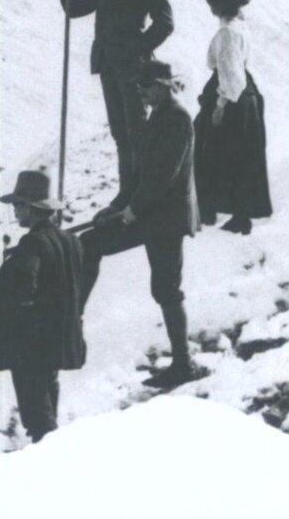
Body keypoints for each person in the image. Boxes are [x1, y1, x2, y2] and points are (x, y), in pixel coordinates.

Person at [79, 59, 206, 388]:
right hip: (152, 213)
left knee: (166, 287)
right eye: (139, 88)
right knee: (90, 243)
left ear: (164, 85)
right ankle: (73, 320)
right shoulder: (159, 118)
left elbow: (162, 177)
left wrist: (130, 212)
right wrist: (114, 207)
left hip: (166, 218)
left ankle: (183, 365)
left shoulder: (177, 118)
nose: (141, 93)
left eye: (146, 87)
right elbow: (140, 177)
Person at [56, 0, 174, 204]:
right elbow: (75, 8)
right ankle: (127, 191)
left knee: (137, 130)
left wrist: (140, 49)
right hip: (107, 64)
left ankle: (142, 193)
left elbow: (165, 22)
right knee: (120, 132)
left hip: (133, 67)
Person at [0, 170, 89, 443]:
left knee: (37, 418)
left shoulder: (32, 243)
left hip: (32, 345)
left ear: (31, 208)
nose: (15, 212)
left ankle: (47, 464)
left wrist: (15, 318)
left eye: (18, 206)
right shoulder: (71, 242)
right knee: (48, 402)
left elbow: (22, 287)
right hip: (59, 339)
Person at [194, 0, 272, 233]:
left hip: (233, 98)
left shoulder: (226, 33)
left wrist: (219, 106)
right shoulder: (241, 27)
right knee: (243, 155)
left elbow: (231, 75)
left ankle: (222, 214)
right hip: (247, 96)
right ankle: (240, 213)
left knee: (217, 153)